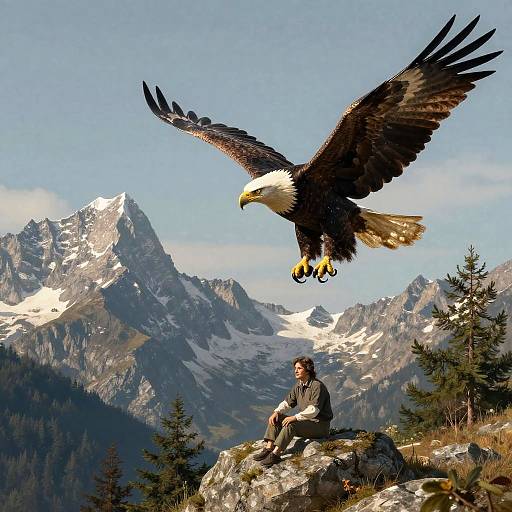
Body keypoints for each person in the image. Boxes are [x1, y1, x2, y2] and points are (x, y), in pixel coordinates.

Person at [253, 356, 333, 467]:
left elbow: (313, 410)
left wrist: (294, 417)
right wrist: (277, 412)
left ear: (308, 369)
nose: (295, 371)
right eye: (295, 368)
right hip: (307, 423)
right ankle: (269, 448)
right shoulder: (299, 386)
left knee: (291, 424)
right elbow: (287, 402)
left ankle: (276, 454)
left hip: (319, 426)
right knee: (276, 417)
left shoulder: (317, 386)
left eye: (299, 368)